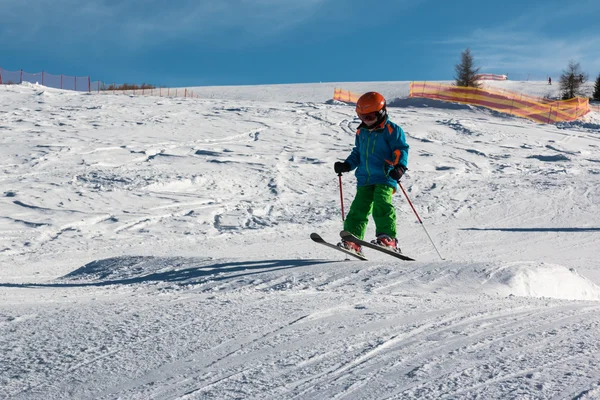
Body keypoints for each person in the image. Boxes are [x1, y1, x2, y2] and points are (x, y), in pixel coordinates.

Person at [334, 92, 409, 255]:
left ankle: (388, 237)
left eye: (370, 117)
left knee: (382, 203)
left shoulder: (392, 130)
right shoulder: (361, 132)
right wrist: (347, 165)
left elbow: (400, 149)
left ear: (381, 112)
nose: (366, 120)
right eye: (362, 116)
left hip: (385, 176)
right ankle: (353, 240)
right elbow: (358, 153)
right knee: (358, 208)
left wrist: (400, 167)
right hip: (365, 178)